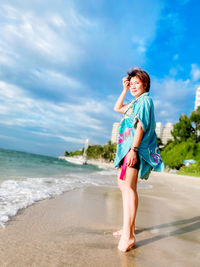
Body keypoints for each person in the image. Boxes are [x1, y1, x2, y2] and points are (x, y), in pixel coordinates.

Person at [113, 67, 165, 252]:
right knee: (125, 186)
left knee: (128, 188)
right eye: (131, 83)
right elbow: (117, 108)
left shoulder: (144, 101)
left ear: (145, 84)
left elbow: (141, 126)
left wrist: (134, 149)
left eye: (137, 83)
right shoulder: (135, 102)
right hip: (127, 149)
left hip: (133, 149)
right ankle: (128, 228)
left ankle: (129, 236)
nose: (134, 86)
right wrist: (124, 89)